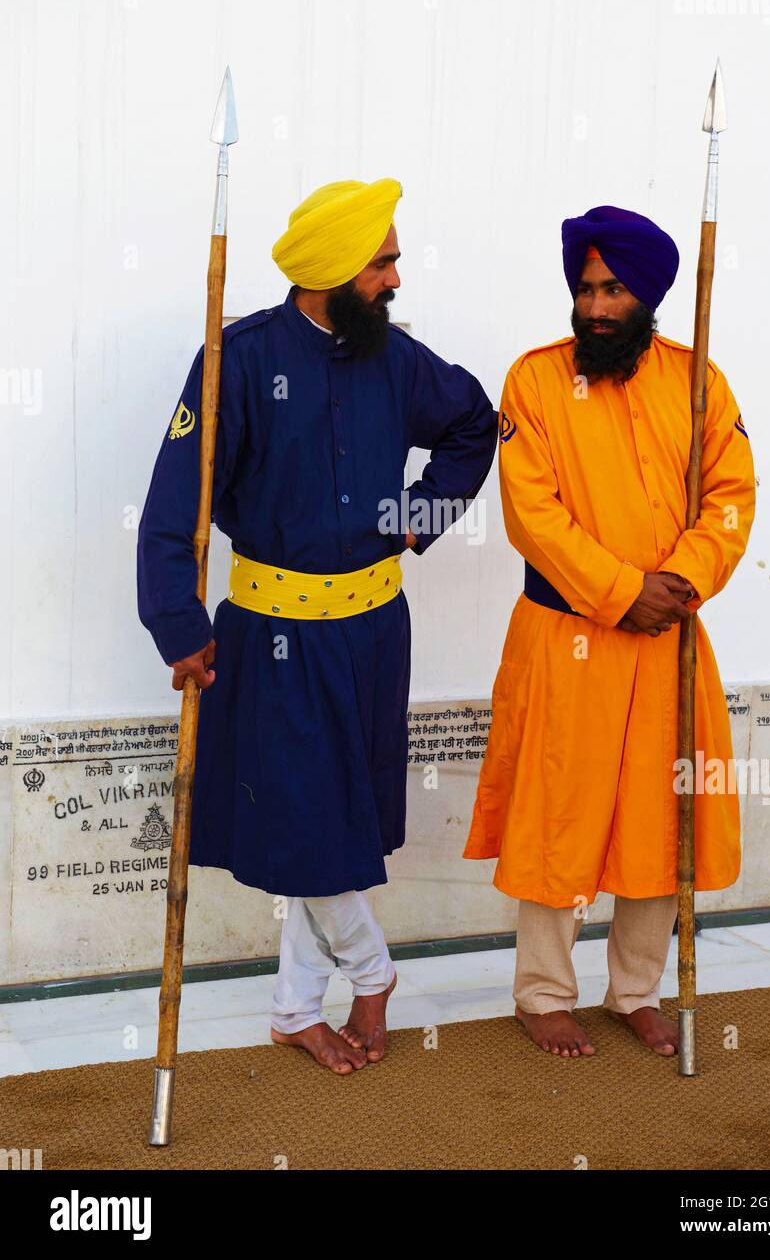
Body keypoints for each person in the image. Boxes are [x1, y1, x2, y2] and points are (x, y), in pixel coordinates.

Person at [137, 178, 499, 1074]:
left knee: (332, 820)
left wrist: (415, 517)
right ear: (332, 270)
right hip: (273, 635)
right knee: (309, 822)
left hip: (375, 631)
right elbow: (177, 499)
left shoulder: (399, 360)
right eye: (382, 263)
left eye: (394, 261)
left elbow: (474, 425)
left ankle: (296, 1007)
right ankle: (372, 974)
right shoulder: (240, 358)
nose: (395, 280)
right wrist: (177, 622)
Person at [463, 204, 756, 1059]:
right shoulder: (535, 380)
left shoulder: (699, 381)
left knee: (663, 817)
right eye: (585, 289)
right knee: (561, 811)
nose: (594, 306)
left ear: (648, 297)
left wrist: (686, 580)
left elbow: (730, 496)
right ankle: (542, 994)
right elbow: (533, 517)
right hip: (570, 638)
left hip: (670, 637)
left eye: (613, 289)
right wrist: (622, 591)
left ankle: (635, 990)